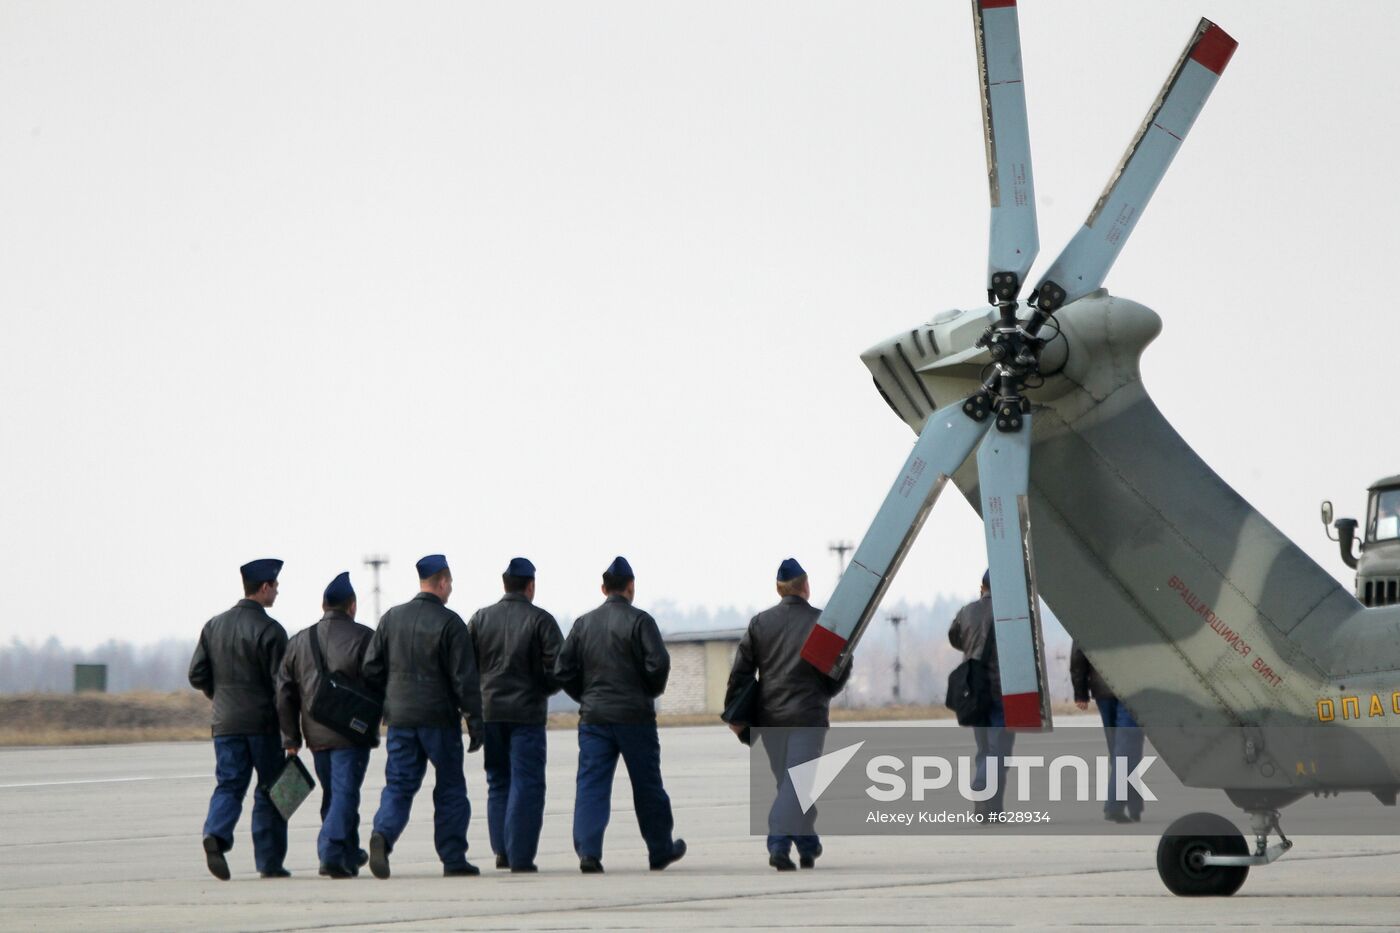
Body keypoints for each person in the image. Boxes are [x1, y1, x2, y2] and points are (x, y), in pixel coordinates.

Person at [554, 556, 686, 874]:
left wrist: (585, 696)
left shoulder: (583, 624)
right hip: (635, 717)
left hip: (594, 718)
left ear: (603, 588)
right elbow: (659, 664)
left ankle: (588, 852)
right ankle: (659, 849)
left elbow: (562, 668)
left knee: (591, 785)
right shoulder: (641, 622)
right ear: (631, 587)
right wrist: (646, 692)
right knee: (647, 785)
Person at [362, 554, 484, 879]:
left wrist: (389, 701)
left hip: (400, 719)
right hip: (439, 720)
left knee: (399, 785)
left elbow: (371, 669)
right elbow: (464, 679)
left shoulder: (391, 619)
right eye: (451, 584)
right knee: (450, 787)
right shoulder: (450, 623)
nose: (451, 590)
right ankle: (453, 857)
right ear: (442, 582)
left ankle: (382, 835)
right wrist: (474, 720)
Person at [725, 558, 850, 871]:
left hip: (771, 719)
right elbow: (840, 668)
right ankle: (779, 843)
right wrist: (823, 694)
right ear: (806, 587)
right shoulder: (823, 623)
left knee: (791, 785)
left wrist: (735, 713)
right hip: (808, 718)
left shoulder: (760, 623)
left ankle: (807, 844)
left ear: (778, 589)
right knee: (796, 786)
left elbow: (741, 672)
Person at [188, 558, 291, 880]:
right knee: (273, 789)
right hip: (262, 725)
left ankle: (216, 835)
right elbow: (283, 687)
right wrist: (291, 732)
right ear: (264, 588)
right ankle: (269, 861)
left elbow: (197, 674)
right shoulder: (271, 631)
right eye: (275, 585)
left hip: (225, 724)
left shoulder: (213, 625)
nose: (277, 590)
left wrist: (220, 698)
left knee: (230, 785)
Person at [275, 571, 376, 878]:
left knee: (334, 794)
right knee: (345, 794)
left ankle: (347, 853)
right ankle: (331, 851)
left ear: (323, 605)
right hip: (351, 733)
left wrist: (291, 738)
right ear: (352, 605)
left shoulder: (299, 642)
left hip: (315, 734)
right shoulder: (364, 637)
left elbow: (284, 693)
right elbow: (378, 682)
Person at [467, 557, 564, 873]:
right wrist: (541, 689)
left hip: (490, 712)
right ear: (531, 586)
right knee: (527, 782)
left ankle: (502, 850)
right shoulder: (541, 621)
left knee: (498, 781)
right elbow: (559, 668)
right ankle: (521, 857)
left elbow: (465, 666)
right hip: (526, 715)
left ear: (504, 585)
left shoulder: (480, 619)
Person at [948, 569, 1015, 819]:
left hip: (974, 689)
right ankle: (982, 783)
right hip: (1001, 689)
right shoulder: (1011, 611)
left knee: (984, 749)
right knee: (1000, 750)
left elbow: (954, 637)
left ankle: (988, 809)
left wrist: (972, 646)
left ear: (982, 586)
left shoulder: (967, 611)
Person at [1071, 641, 1145, 823]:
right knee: (1126, 749)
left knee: (1120, 751)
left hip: (1102, 689)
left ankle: (1134, 804)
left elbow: (1078, 655)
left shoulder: (1089, 617)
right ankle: (1115, 806)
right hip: (1133, 689)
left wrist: (1080, 692)